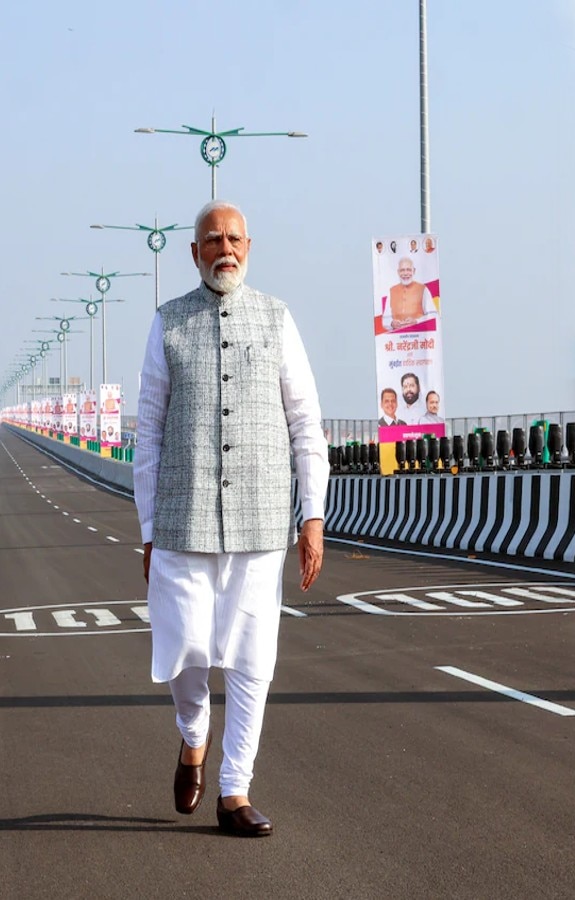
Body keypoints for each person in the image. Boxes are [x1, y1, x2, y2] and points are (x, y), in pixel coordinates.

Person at [133, 199, 330, 839]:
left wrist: (313, 516)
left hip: (261, 520)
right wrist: (145, 528)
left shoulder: (277, 319)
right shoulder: (167, 324)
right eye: (214, 239)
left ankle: (235, 791)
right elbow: (148, 434)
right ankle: (194, 737)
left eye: (236, 238)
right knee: (186, 648)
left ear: (250, 247)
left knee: (252, 660)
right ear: (195, 253)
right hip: (182, 519)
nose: (226, 248)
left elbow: (305, 421)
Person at [383, 257, 436, 330]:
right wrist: (392, 323)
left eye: (408, 270)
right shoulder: (391, 291)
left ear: (413, 271)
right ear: (398, 272)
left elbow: (433, 315)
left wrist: (416, 321)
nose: (405, 273)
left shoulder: (423, 289)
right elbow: (385, 319)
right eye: (402, 270)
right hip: (397, 337)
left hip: (419, 335)